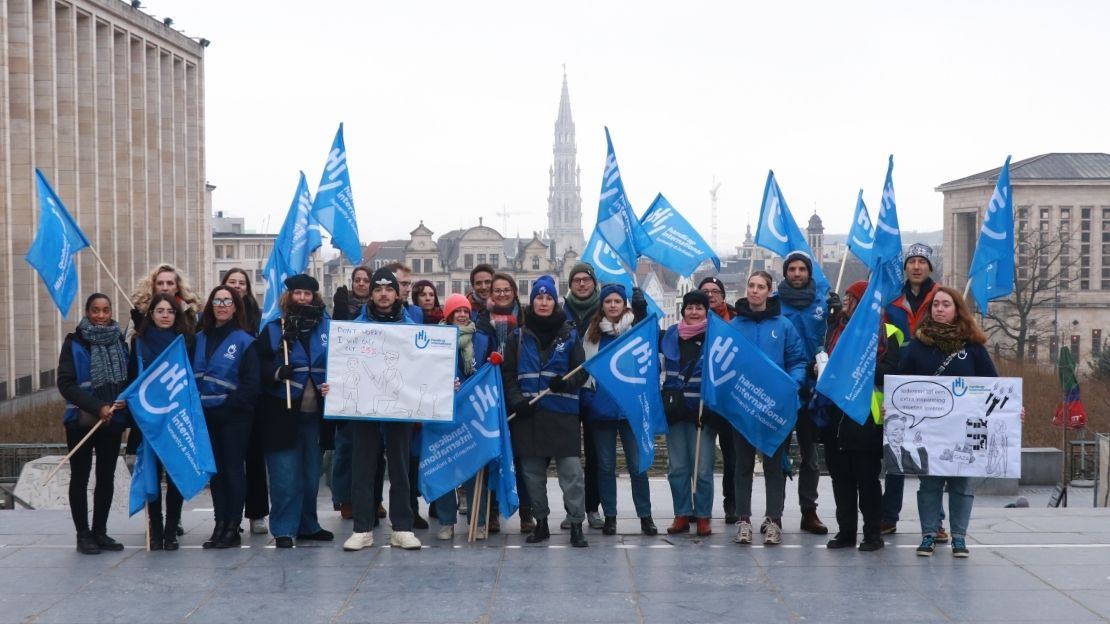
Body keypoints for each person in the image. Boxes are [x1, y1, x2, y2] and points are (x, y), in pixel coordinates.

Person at [902, 286, 999, 558]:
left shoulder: (973, 347)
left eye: (946, 304)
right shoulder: (916, 347)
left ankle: (959, 537)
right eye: (935, 305)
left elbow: (994, 386)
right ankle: (929, 535)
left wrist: (1012, 411)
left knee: (961, 485)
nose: (940, 309)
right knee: (930, 484)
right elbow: (902, 385)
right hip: (928, 430)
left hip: (963, 431)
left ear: (957, 310)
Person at [504, 275, 589, 547]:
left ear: (555, 301)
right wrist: (516, 400)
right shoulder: (517, 337)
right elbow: (508, 374)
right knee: (532, 475)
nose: (543, 302)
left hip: (562, 413)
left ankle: (576, 523)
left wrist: (566, 380)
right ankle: (540, 522)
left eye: (548, 298)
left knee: (572, 474)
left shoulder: (570, 334)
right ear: (532, 302)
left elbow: (582, 371)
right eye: (539, 297)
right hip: (529, 415)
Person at [344, 267, 423, 551]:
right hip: (365, 406)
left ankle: (402, 527)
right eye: (378, 289)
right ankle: (362, 528)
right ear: (371, 292)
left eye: (389, 289)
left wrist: (441, 382)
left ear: (397, 292)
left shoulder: (412, 325)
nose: (384, 294)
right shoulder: (355, 326)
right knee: (362, 467)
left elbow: (426, 365)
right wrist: (334, 387)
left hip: (400, 406)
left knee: (401, 468)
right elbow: (342, 365)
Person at [819, 280, 901, 552]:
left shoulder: (888, 333)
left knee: (867, 481)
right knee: (840, 479)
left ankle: (872, 534)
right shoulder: (836, 329)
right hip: (836, 416)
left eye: (851, 298)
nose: (845, 303)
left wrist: (856, 366)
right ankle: (846, 532)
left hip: (867, 418)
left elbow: (888, 373)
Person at [729, 271, 807, 546]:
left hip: (775, 407)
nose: (754, 291)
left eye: (760, 286)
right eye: (750, 285)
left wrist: (792, 385)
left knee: (775, 466)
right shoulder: (735, 325)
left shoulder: (784, 326)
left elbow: (797, 360)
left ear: (769, 291)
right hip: (743, 406)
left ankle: (774, 520)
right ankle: (743, 520)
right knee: (743, 466)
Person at [256, 274, 333, 549]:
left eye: (307, 294)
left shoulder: (328, 328)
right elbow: (259, 365)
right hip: (282, 412)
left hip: (317, 414)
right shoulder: (274, 329)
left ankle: (308, 524)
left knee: (312, 474)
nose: (302, 298)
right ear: (289, 296)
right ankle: (284, 528)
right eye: (297, 293)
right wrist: (277, 372)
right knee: (285, 474)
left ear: (315, 297)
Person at [581, 283, 657, 537]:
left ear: (623, 304)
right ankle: (610, 515)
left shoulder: (634, 329)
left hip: (630, 409)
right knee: (605, 466)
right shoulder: (592, 335)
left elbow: (650, 342)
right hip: (601, 409)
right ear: (601, 305)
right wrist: (589, 401)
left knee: (638, 466)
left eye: (617, 301)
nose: (612, 305)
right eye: (608, 302)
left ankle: (645, 516)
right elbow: (584, 371)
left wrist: (642, 311)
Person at [57, 293, 129, 555]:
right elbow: (65, 383)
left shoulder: (120, 341)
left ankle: (100, 531)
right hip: (81, 421)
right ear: (87, 312)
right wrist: (95, 406)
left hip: (111, 420)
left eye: (106, 310)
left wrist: (122, 401)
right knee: (80, 477)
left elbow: (125, 380)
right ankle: (83, 534)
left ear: (111, 312)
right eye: (96, 310)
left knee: (106, 477)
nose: (101, 315)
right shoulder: (74, 342)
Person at [881, 243, 943, 537]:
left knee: (932, 458)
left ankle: (937, 521)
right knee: (896, 453)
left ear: (930, 267)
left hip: (935, 385)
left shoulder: (942, 300)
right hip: (900, 384)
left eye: (922, 261)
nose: (917, 266)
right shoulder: (893, 304)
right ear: (905, 267)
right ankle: (888, 515)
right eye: (912, 261)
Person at [776, 251, 838, 535]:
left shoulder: (822, 304)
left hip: (812, 390)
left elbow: (833, 339)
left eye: (802, 269)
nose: (797, 273)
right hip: (783, 386)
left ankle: (808, 511)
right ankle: (773, 512)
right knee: (775, 452)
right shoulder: (773, 304)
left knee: (810, 455)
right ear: (786, 272)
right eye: (792, 269)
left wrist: (840, 316)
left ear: (809, 273)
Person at [195, 285, 261, 549]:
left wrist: (229, 406)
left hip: (233, 417)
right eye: (217, 300)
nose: (222, 305)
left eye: (227, 301)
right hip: (205, 416)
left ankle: (232, 526)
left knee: (233, 471)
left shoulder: (245, 341)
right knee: (216, 474)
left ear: (235, 307)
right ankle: (219, 524)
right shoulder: (198, 339)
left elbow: (251, 384)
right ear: (211, 305)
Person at [127, 293, 193, 551]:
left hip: (175, 416)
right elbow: (133, 377)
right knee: (151, 475)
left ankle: (171, 530)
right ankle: (155, 527)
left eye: (170, 311)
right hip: (149, 419)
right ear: (151, 314)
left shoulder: (185, 342)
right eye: (160, 310)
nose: (165, 315)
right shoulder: (139, 342)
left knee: (175, 476)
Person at [474, 271, 532, 534]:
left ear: (513, 290)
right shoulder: (480, 322)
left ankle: (527, 513)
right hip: (490, 394)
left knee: (523, 457)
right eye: (496, 290)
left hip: (519, 393)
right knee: (489, 457)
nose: (501, 294)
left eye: (506, 289)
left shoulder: (526, 319)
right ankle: (491, 513)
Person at [430, 293, 492, 539]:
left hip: (473, 410)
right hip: (444, 411)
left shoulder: (482, 339)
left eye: (466, 311)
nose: (463, 315)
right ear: (448, 314)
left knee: (475, 467)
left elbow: (488, 371)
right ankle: (446, 521)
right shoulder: (436, 339)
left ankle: (478, 520)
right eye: (458, 311)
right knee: (445, 465)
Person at [660, 291, 719, 537]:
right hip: (674, 411)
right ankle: (682, 513)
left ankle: (703, 515)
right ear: (683, 310)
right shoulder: (670, 335)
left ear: (707, 311)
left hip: (701, 412)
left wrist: (714, 410)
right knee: (678, 468)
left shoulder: (715, 337)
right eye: (689, 307)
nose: (694, 312)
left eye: (699, 308)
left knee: (703, 468)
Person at [220, 268, 267, 536]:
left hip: (253, 398)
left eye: (242, 283)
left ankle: (257, 512)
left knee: (254, 457)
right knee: (228, 461)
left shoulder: (259, 319)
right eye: (232, 283)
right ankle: (228, 515)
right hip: (223, 400)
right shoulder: (214, 317)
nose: (237, 287)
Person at [562, 262, 603, 530]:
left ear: (593, 282)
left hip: (595, 389)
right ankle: (572, 509)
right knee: (568, 456)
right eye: (576, 280)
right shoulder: (560, 310)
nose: (581, 284)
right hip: (566, 390)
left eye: (585, 280)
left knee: (595, 454)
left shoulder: (605, 309)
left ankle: (592, 507)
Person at [331, 266, 373, 521]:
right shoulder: (344, 307)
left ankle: (371, 498)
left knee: (371, 450)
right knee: (345, 445)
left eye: (365, 280)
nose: (360, 284)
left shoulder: (377, 310)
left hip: (372, 385)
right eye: (357, 280)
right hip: (349, 384)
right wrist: (339, 311)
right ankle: (343, 498)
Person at [699, 276, 737, 524]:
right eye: (705, 291)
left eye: (715, 291)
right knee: (700, 459)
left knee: (733, 457)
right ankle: (699, 507)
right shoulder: (690, 322)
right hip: (701, 401)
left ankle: (731, 503)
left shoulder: (736, 322)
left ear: (723, 296)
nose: (711, 295)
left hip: (730, 400)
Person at [130, 264, 201, 333]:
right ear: (153, 287)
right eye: (160, 283)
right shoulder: (141, 314)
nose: (165, 288)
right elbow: (129, 342)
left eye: (170, 283)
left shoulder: (191, 313)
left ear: (177, 288)